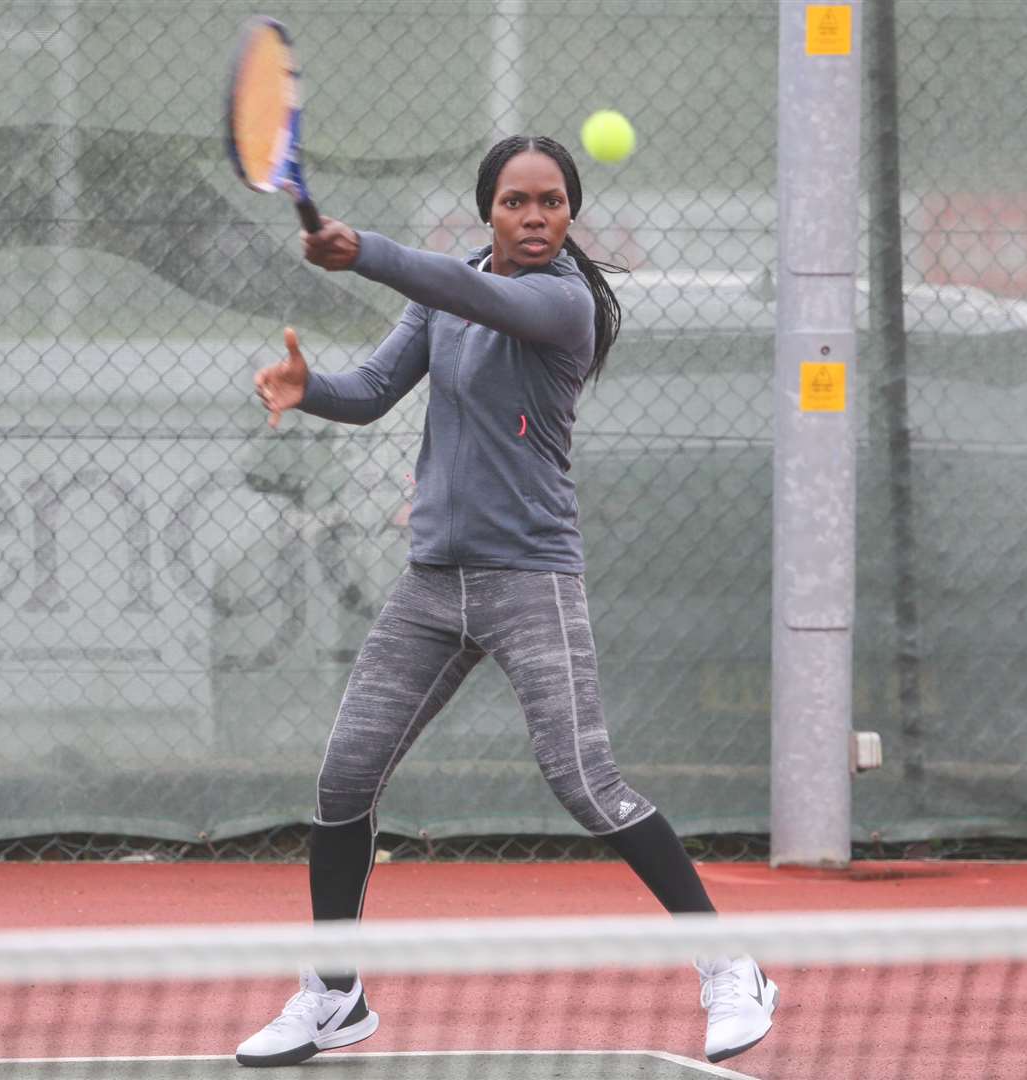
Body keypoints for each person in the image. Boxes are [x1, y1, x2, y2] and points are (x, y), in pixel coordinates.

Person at [234, 135, 776, 1068]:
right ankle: (332, 994)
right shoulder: (447, 295)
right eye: (517, 202)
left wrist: (362, 248)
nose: (535, 219)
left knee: (585, 783)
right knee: (344, 780)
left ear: (570, 215)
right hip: (432, 582)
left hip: (529, 579)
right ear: (488, 208)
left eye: (552, 203)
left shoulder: (562, 302)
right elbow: (369, 392)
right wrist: (307, 389)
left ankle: (730, 965)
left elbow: (466, 293)